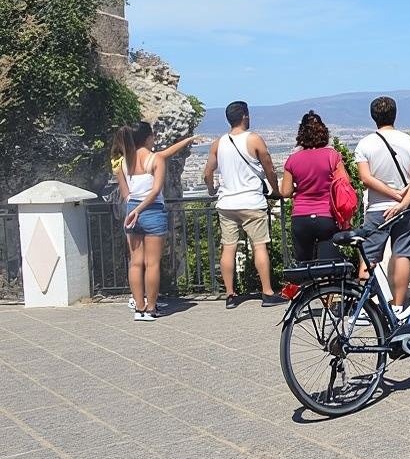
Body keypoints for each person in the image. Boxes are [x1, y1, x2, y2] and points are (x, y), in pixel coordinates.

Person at [203, 101, 286, 308]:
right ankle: (267, 292)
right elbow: (269, 169)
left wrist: (212, 190)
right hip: (251, 202)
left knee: (228, 248)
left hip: (227, 203)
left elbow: (207, 172)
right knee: (259, 246)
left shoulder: (218, 143)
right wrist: (276, 190)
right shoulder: (254, 139)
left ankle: (230, 294)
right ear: (245, 117)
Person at [111, 122, 195, 320]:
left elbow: (126, 194)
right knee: (152, 263)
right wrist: (141, 209)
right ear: (148, 137)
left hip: (131, 213)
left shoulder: (122, 162)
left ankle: (139, 308)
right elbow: (156, 190)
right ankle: (151, 307)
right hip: (152, 211)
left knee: (135, 263)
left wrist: (134, 211)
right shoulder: (155, 159)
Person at [354, 96, 410, 312]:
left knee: (369, 258)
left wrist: (390, 194)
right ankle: (398, 304)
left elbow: (366, 178)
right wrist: (403, 201)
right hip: (405, 209)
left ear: (372, 116)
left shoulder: (365, 144)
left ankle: (365, 308)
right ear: (395, 114)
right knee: (403, 253)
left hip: (377, 209)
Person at [280, 111, 351, 262]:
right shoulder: (332, 156)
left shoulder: (292, 160)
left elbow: (285, 192)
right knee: (328, 265)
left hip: (301, 218)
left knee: (305, 266)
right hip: (327, 216)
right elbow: (344, 182)